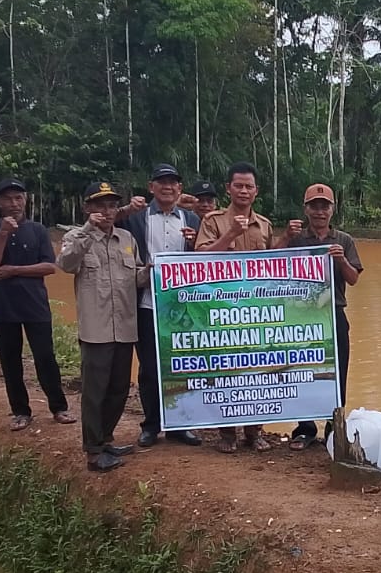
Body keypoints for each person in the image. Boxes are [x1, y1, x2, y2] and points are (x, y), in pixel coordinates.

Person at [194, 162, 295, 453]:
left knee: (257, 368)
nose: (243, 190)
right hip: (222, 309)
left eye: (248, 186)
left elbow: (271, 263)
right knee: (226, 368)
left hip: (256, 311)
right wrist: (229, 236)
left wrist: (286, 239)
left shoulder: (263, 224)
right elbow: (199, 259)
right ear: (228, 189)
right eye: (238, 185)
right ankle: (227, 433)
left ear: (256, 191)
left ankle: (254, 431)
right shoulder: (212, 221)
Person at [56, 181, 149, 472]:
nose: (107, 212)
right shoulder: (76, 237)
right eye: (100, 206)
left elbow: (136, 277)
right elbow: (66, 264)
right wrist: (88, 229)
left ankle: (106, 439)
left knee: (119, 389)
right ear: (88, 208)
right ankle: (94, 452)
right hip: (96, 330)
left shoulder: (126, 238)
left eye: (111, 206)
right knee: (95, 392)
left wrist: (154, 270)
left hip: (125, 327)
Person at [0, 177, 77, 431]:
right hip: (4, 306)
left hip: (35, 305)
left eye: (18, 198)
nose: (14, 204)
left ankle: (59, 408)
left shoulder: (38, 230)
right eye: (8, 199)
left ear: (25, 200)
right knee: (10, 361)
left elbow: (49, 267)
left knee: (45, 357)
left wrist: (14, 270)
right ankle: (21, 411)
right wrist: (3, 234)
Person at [118, 163, 202, 448]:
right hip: (146, 303)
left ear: (180, 188)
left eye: (173, 182)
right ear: (151, 187)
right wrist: (125, 209)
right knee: (149, 368)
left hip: (183, 307)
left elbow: (205, 258)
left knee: (182, 366)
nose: (168, 187)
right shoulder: (136, 218)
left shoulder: (192, 219)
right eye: (161, 182)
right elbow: (108, 225)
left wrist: (194, 243)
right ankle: (152, 425)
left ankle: (180, 425)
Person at [285, 183, 363, 450]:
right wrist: (284, 238)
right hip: (301, 316)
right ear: (306, 209)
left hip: (334, 313)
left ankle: (334, 428)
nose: (319, 211)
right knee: (302, 370)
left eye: (324, 206)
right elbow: (270, 265)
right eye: (314, 206)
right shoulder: (295, 239)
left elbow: (353, 279)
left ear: (332, 209)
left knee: (337, 372)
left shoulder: (344, 240)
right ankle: (305, 429)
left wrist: (341, 260)